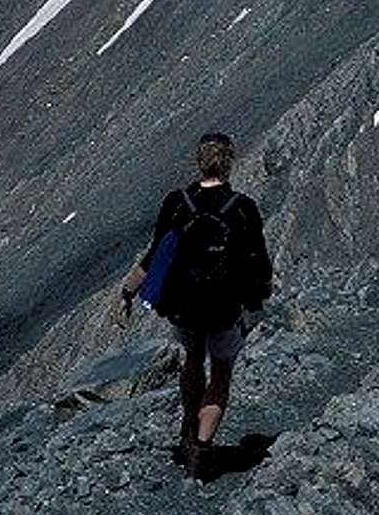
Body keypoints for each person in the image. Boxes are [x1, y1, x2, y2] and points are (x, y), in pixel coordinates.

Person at [114, 132, 272, 477]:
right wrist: (258, 298)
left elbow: (156, 255)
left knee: (191, 360)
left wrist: (127, 292)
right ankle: (202, 449)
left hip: (183, 304)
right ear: (229, 162)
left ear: (198, 161)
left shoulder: (177, 202)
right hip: (224, 307)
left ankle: (188, 425)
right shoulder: (243, 208)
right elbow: (259, 262)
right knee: (221, 370)